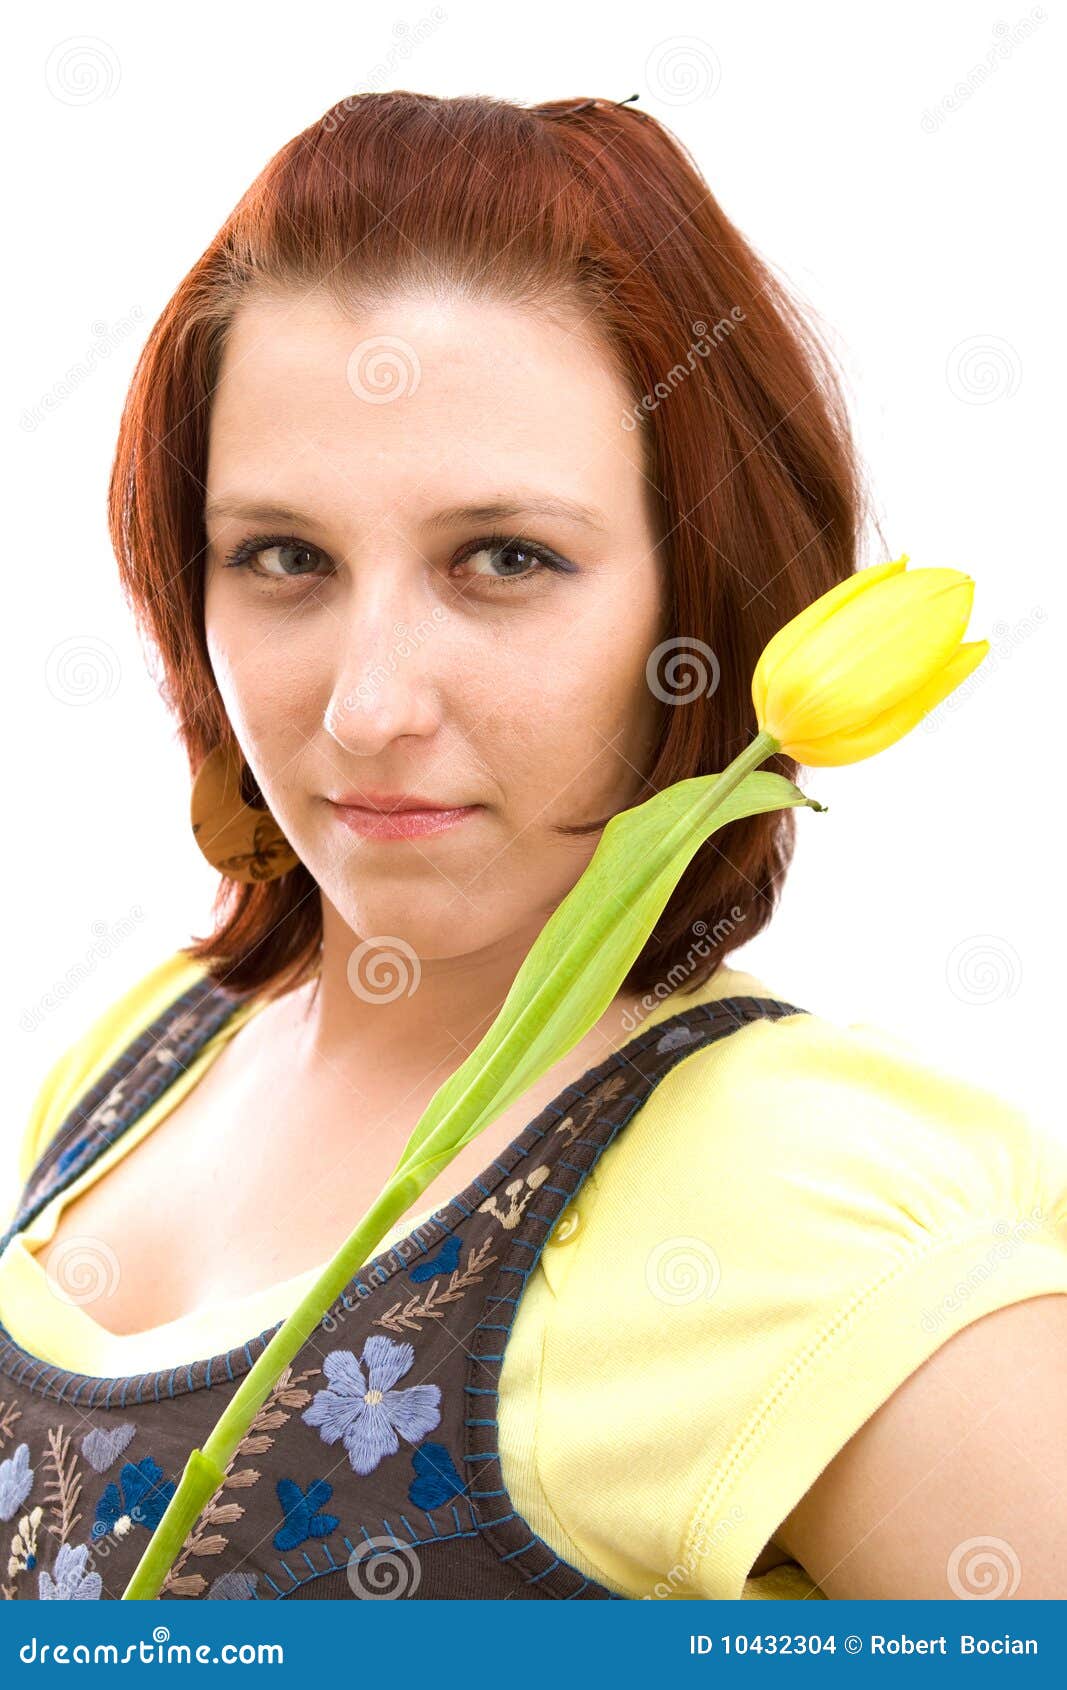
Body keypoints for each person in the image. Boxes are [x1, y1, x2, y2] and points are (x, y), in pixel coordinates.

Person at [1, 91, 1064, 1604]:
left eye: (506, 559)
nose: (368, 706)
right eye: (283, 557)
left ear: (704, 597)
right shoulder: (142, 1056)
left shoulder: (813, 1193)